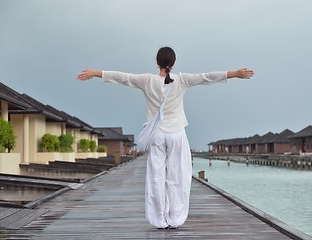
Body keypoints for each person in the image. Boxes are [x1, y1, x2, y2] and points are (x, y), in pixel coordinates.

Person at [77, 46, 254, 229]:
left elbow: (123, 77)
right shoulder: (182, 80)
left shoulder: (147, 80)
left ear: (157, 62)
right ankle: (175, 218)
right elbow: (207, 77)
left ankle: (159, 219)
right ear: (174, 63)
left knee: (156, 177)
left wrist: (95, 73)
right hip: (177, 134)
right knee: (178, 177)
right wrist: (235, 73)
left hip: (157, 136)